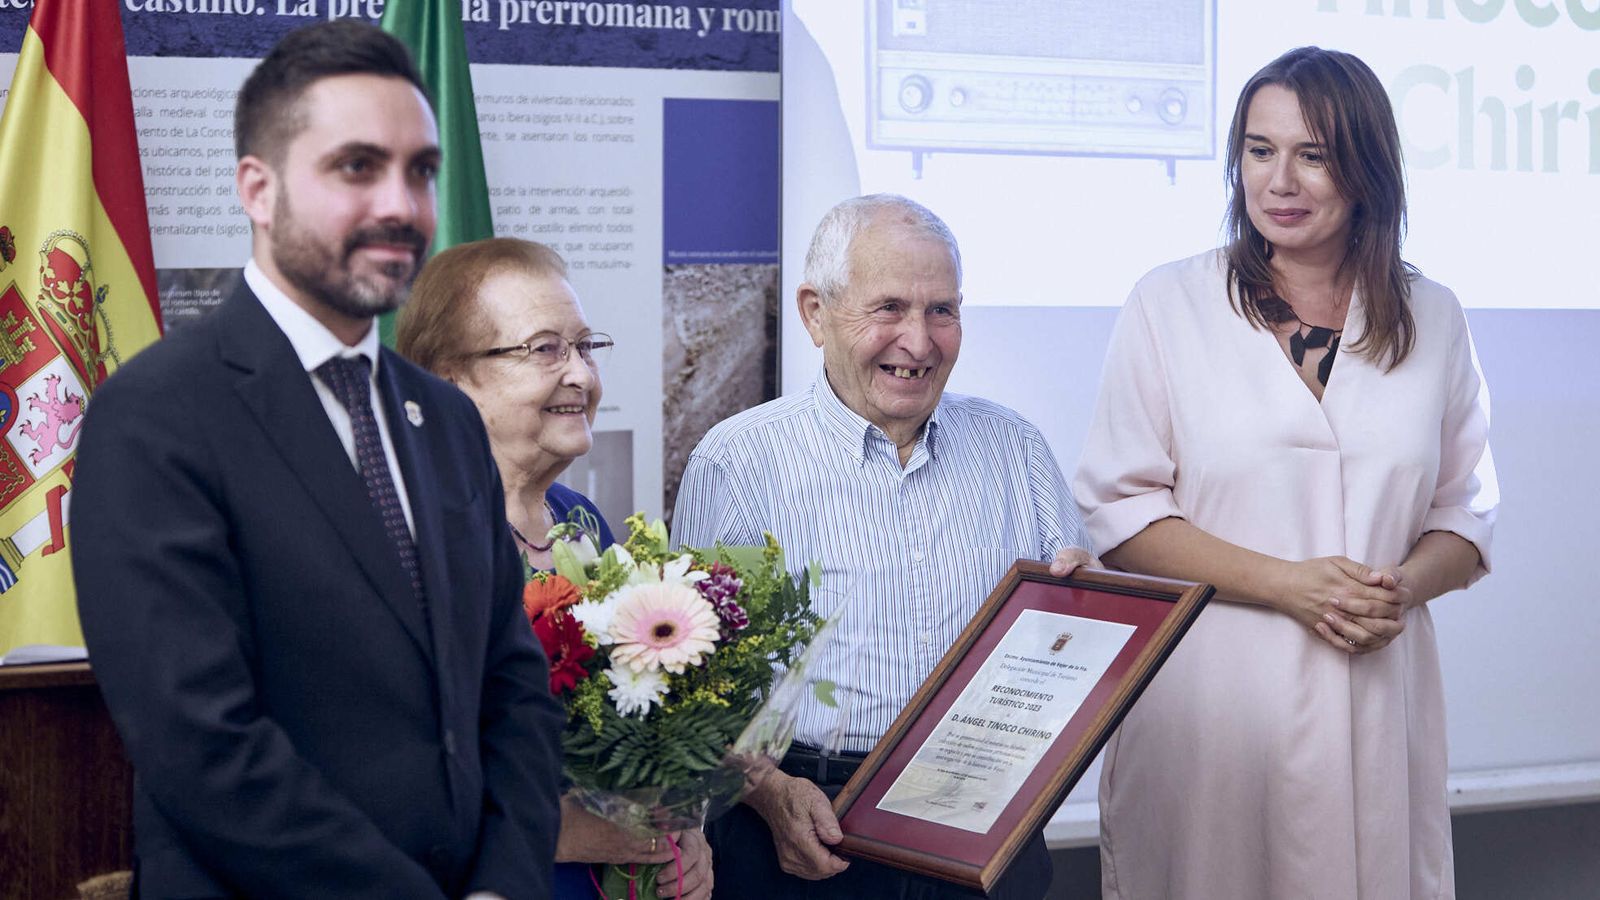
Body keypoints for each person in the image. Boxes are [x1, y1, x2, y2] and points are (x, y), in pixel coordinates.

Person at [71, 22, 564, 899]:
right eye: (356, 167)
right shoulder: (154, 416)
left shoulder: (447, 419)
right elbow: (203, 744)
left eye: (420, 170)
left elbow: (513, 687)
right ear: (257, 190)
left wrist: (504, 883)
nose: (402, 204)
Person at [1073, 47, 1498, 900]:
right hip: (1213, 705)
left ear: (1367, 167)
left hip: (1377, 689)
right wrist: (1288, 585)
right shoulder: (1169, 303)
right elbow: (1120, 516)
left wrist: (1402, 588)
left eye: (1313, 153)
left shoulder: (1434, 314)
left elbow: (1467, 514)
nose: (1281, 180)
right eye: (1260, 150)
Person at [672, 193, 1095, 899]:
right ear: (815, 313)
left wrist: (1088, 612)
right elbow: (688, 688)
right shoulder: (738, 462)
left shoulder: (1015, 448)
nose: (920, 341)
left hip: (987, 822)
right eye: (889, 307)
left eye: (942, 310)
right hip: (806, 823)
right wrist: (768, 790)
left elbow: (1073, 630)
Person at [398, 237, 713, 900]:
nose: (581, 375)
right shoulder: (406, 539)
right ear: (448, 379)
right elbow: (378, 766)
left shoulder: (584, 525)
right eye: (545, 349)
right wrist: (556, 829)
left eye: (585, 347)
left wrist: (678, 833)